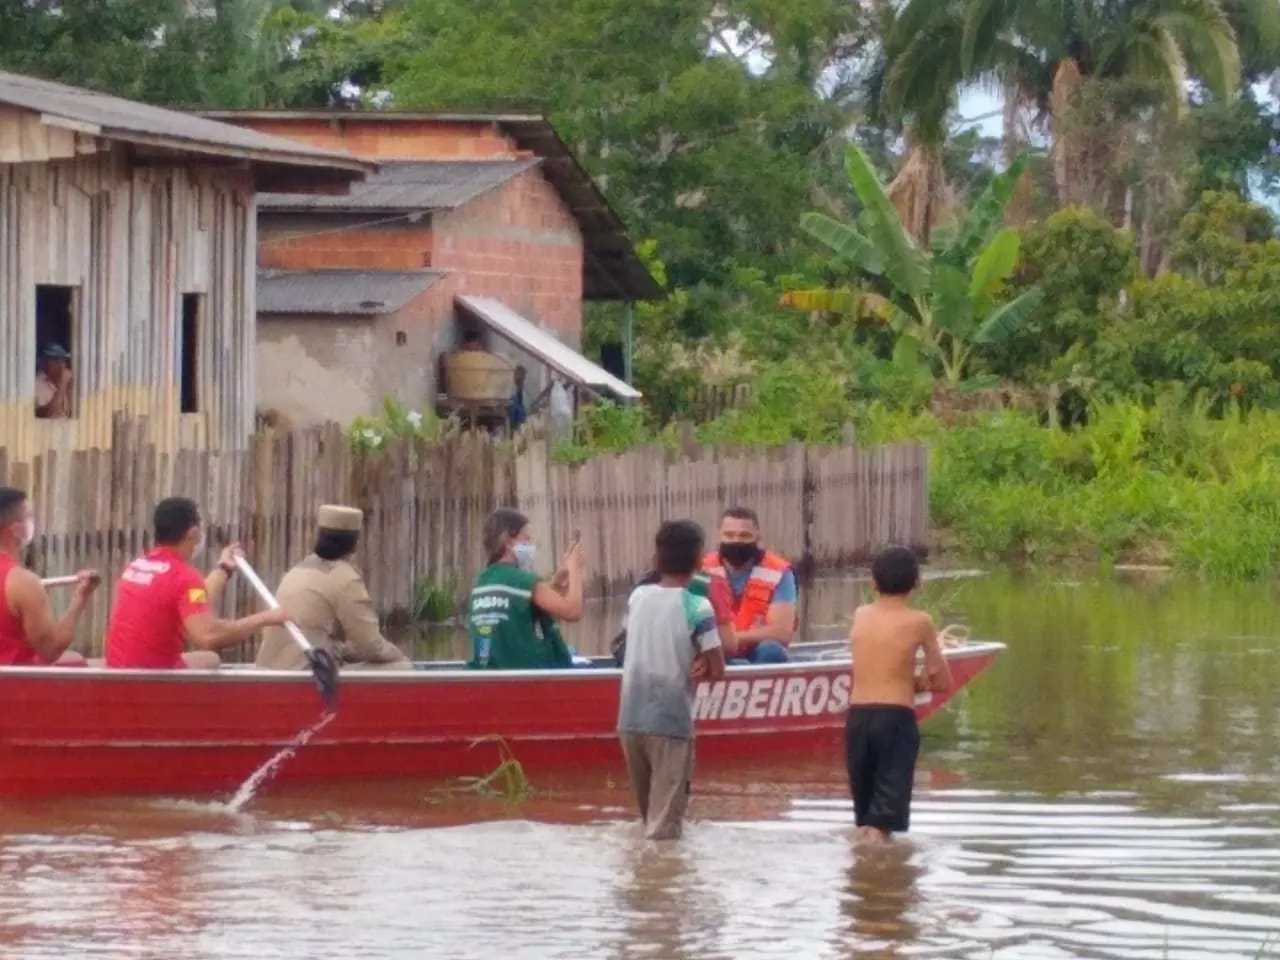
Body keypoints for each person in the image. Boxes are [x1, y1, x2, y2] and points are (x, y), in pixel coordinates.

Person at [617, 520, 726, 841]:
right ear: (698, 561)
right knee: (664, 834)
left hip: (629, 721)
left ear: (656, 559)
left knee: (647, 822)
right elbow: (718, 669)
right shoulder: (698, 606)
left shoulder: (638, 597)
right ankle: (663, 887)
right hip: (671, 724)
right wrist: (704, 661)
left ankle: (641, 887)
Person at [104, 496, 289, 670]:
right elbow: (207, 635)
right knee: (211, 658)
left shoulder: (135, 567)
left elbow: (194, 601)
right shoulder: (184, 576)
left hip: (119, 670)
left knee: (205, 659)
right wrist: (267, 618)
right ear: (193, 533)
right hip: (154, 677)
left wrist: (224, 568)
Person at [846, 546, 952, 845]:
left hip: (857, 720)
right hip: (894, 720)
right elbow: (942, 680)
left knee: (866, 819)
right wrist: (918, 680)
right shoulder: (920, 621)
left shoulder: (861, 614)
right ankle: (881, 883)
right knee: (883, 824)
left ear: (872, 583)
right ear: (917, 583)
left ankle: (859, 885)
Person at [256, 505, 411, 671]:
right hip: (309, 671)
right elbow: (370, 645)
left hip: (270, 667)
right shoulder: (344, 578)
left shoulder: (297, 570)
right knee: (402, 667)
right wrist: (398, 654)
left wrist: (345, 651)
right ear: (354, 543)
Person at [466, 508, 584, 669]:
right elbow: (573, 611)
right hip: (527, 679)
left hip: (489, 673)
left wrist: (558, 579)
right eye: (526, 539)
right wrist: (575, 569)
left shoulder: (482, 582)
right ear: (508, 542)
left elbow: (523, 603)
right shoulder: (522, 581)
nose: (530, 546)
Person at [0, 486, 98, 666]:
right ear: (15, 530)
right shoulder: (22, 582)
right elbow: (50, 649)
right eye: (28, 517)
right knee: (77, 663)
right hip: (12, 685)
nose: (31, 523)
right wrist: (80, 598)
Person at [702, 506, 796, 664]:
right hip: (718, 652)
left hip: (757, 652)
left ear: (757, 537)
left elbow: (781, 633)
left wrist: (731, 638)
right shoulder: (703, 569)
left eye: (744, 536)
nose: (736, 541)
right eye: (729, 535)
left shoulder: (778, 571)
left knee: (772, 650)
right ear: (719, 536)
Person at [35, 343, 74, 419]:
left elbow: (69, 412)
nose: (62, 366)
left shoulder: (61, 383)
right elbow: (50, 415)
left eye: (63, 361)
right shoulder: (38, 384)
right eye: (56, 361)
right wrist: (63, 383)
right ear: (45, 363)